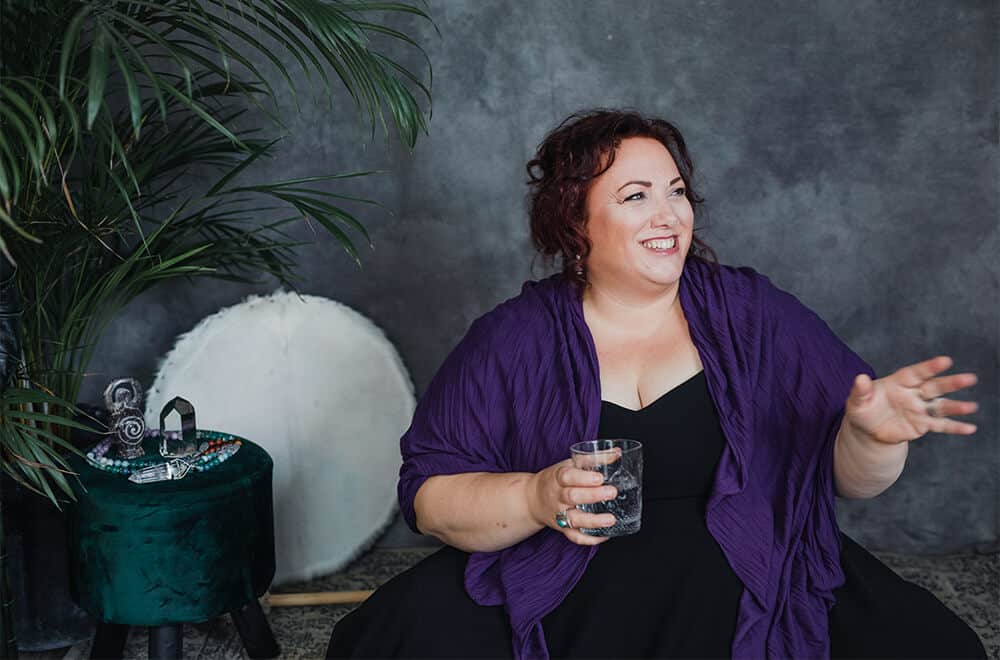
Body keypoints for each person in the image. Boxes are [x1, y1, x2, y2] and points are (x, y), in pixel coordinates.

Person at [326, 109, 987, 659]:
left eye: (676, 191)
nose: (668, 215)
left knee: (935, 647)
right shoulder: (512, 338)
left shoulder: (753, 314)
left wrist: (873, 439)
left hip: (749, 561)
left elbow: (851, 481)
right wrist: (534, 496)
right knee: (396, 640)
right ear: (575, 223)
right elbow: (431, 499)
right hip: (564, 574)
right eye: (636, 196)